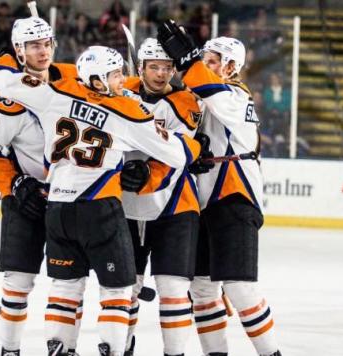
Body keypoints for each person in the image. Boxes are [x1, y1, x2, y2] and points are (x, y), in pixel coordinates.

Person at [0, 44, 207, 356]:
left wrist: (12, 54)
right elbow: (174, 153)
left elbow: (3, 80)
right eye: (116, 74)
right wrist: (196, 147)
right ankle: (112, 349)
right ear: (98, 80)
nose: (123, 79)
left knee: (65, 286)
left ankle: (60, 348)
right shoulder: (127, 112)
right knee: (118, 290)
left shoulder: (54, 94)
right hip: (100, 209)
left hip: (58, 209)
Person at [157, 22, 283, 356]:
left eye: (212, 61)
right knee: (201, 290)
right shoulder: (204, 97)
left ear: (230, 67)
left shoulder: (236, 96)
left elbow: (210, 92)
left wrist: (187, 63)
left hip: (234, 199)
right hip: (202, 202)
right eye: (205, 60)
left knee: (240, 289)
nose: (207, 67)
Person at [0, 16, 79, 356]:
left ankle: (64, 348)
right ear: (19, 51)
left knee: (70, 281)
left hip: (73, 198)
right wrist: (15, 184)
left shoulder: (73, 79)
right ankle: (9, 349)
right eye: (33, 45)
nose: (43, 51)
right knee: (18, 281)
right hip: (27, 199)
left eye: (47, 43)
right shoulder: (7, 100)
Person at [119, 38, 213, 356]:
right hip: (124, 205)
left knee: (173, 291)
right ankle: (122, 348)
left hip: (174, 206)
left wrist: (148, 176)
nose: (161, 74)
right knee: (123, 291)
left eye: (167, 68)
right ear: (142, 67)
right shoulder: (120, 91)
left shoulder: (186, 102)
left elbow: (175, 152)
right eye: (154, 67)